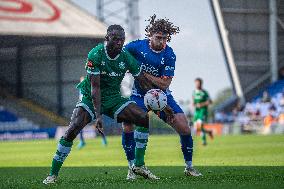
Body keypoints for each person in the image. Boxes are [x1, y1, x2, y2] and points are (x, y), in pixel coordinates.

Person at [43, 25, 162, 184]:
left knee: (142, 117)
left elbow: (141, 79)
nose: (119, 42)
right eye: (116, 39)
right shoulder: (96, 54)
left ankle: (138, 165)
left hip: (113, 97)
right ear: (107, 39)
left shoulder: (125, 56)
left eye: (122, 39)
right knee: (72, 129)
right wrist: (98, 117)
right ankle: (52, 175)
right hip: (90, 98)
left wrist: (158, 99)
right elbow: (95, 88)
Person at [121, 15, 202, 180]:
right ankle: (132, 168)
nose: (161, 41)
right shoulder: (136, 47)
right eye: (158, 37)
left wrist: (141, 73)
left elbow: (164, 84)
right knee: (127, 124)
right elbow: (121, 58)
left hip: (161, 97)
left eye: (165, 38)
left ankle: (189, 167)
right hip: (138, 95)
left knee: (185, 128)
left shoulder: (169, 54)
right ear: (150, 35)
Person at [77, 76, 107, 149]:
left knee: (98, 124)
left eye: (83, 81)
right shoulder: (81, 90)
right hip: (84, 108)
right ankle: (82, 141)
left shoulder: (90, 88)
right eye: (81, 81)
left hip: (92, 108)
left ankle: (104, 139)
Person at [192, 78, 213, 146]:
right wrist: (193, 104)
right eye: (196, 83)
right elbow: (193, 102)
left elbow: (210, 101)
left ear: (201, 84)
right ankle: (209, 132)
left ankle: (204, 142)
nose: (197, 84)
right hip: (197, 112)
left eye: (198, 83)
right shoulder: (194, 92)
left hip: (203, 111)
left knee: (200, 125)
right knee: (197, 128)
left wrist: (201, 104)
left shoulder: (204, 92)